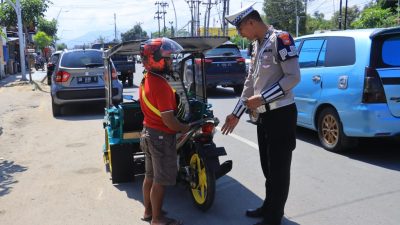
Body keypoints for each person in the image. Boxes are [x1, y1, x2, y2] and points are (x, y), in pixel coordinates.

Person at [222, 4, 301, 225]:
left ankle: (274, 218)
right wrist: (236, 114)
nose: (240, 34)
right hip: (263, 117)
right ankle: (268, 207)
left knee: (279, 170)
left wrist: (263, 98)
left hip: (281, 115)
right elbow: (250, 83)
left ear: (251, 22)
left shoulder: (281, 39)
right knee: (268, 167)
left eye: (240, 29)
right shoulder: (257, 46)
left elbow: (293, 77)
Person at [139, 37, 190, 225]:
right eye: (168, 58)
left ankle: (148, 212)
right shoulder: (160, 85)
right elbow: (169, 121)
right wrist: (185, 128)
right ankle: (157, 219)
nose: (171, 61)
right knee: (160, 180)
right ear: (156, 59)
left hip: (148, 132)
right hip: (160, 137)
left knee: (150, 176)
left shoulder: (146, 79)